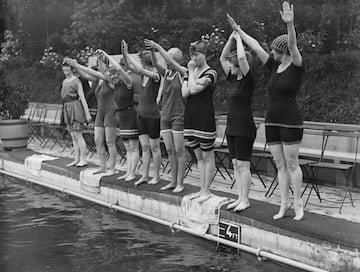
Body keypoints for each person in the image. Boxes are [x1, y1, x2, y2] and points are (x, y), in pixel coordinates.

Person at [227, 1, 305, 220]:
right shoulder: (273, 66)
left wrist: (290, 26)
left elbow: (294, 46)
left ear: (283, 51)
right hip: (272, 120)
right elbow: (256, 46)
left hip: (290, 120)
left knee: (292, 163)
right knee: (279, 164)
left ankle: (298, 203)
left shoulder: (296, 66)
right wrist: (238, 31)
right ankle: (284, 204)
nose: (270, 52)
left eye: (274, 50)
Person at [64, 51, 121, 175]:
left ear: (106, 66)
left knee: (110, 141)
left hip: (111, 113)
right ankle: (103, 166)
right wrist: (75, 66)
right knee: (97, 140)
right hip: (100, 113)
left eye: (100, 64)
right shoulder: (97, 80)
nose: (98, 66)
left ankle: (112, 168)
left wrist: (77, 65)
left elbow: (95, 73)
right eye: (97, 64)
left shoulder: (109, 78)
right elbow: (86, 75)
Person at [219, 29, 256, 212]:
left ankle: (246, 199)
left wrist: (240, 39)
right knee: (235, 163)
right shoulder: (232, 79)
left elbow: (242, 59)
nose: (230, 67)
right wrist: (231, 38)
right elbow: (222, 58)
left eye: (233, 65)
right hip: (232, 126)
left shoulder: (248, 80)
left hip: (244, 127)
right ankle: (239, 197)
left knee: (243, 164)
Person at [144, 39, 187, 193]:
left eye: (172, 58)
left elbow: (168, 61)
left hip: (178, 116)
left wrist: (158, 46)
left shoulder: (183, 72)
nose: (169, 60)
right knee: (169, 150)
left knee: (180, 150)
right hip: (166, 115)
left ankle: (180, 183)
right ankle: (173, 181)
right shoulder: (167, 73)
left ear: (178, 60)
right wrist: (151, 50)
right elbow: (156, 64)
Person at [121, 40, 162, 186]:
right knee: (144, 147)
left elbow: (139, 70)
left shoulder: (156, 75)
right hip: (141, 115)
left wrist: (127, 54)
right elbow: (129, 66)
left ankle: (156, 176)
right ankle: (145, 175)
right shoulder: (143, 75)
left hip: (152, 115)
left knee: (154, 147)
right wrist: (125, 54)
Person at [181, 40, 217, 203]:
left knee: (207, 156)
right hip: (191, 117)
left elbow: (194, 89)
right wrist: (190, 75)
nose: (193, 58)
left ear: (204, 55)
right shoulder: (191, 73)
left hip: (204, 117)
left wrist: (189, 73)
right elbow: (185, 93)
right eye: (191, 55)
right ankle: (201, 188)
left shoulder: (211, 73)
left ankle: (207, 190)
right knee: (198, 157)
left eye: (197, 54)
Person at [60, 61, 92, 167]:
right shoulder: (64, 81)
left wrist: (87, 114)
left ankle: (83, 159)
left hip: (75, 106)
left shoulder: (76, 81)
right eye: (64, 66)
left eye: (67, 66)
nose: (65, 69)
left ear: (71, 68)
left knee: (78, 134)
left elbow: (82, 98)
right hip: (67, 107)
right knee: (73, 135)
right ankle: (76, 158)